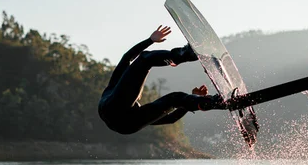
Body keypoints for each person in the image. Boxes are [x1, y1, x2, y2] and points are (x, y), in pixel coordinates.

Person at [98, 25, 233, 135]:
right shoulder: (114, 92)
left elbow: (170, 118)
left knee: (176, 98)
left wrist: (195, 99)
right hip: (113, 111)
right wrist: (150, 40)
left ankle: (215, 102)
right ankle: (184, 55)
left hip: (127, 127)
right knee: (145, 59)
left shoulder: (123, 102)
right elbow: (126, 58)